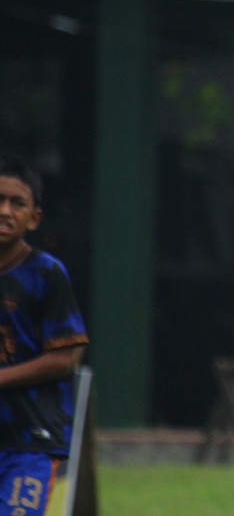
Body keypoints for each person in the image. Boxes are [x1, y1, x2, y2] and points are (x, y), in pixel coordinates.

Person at [0, 155, 89, 516]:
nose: (4, 210)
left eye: (17, 203)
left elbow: (66, 357)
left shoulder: (46, 274)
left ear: (34, 217)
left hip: (29, 440)